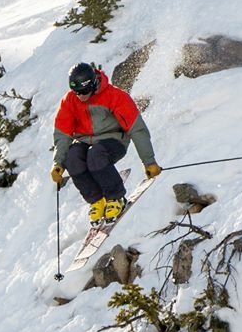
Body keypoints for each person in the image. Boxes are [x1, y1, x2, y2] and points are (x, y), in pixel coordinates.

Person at [50, 61, 161, 224]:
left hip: (114, 140)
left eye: (85, 91)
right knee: (72, 157)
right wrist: (58, 162)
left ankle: (116, 198)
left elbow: (137, 129)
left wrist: (149, 162)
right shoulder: (70, 101)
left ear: (94, 83)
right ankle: (97, 200)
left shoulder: (115, 96)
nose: (81, 96)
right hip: (85, 140)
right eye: (77, 92)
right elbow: (63, 133)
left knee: (95, 155)